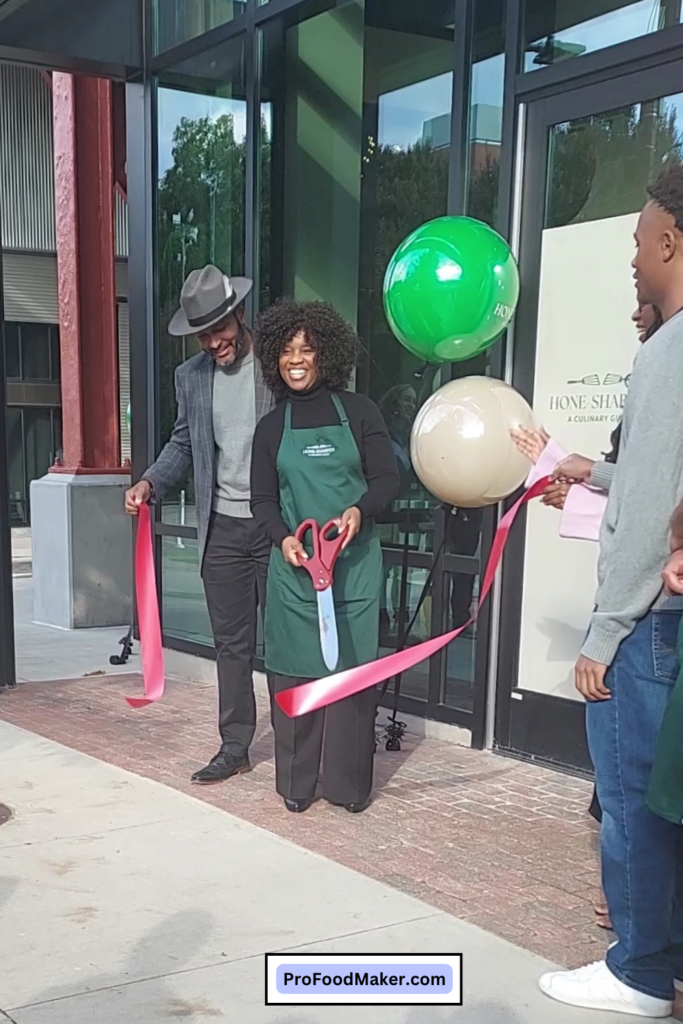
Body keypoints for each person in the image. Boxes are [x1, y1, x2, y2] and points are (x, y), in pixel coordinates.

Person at [538, 165, 683, 1017]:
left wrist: (603, 631)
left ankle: (635, 972)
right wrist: (594, 468)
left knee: (632, 806)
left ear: (669, 240)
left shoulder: (668, 350)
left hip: (648, 628)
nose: (631, 257)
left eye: (636, 239)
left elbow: (646, 516)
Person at [512, 302, 662, 935]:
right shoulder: (654, 368)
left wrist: (602, 635)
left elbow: (653, 499)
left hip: (647, 614)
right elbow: (635, 494)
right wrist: (578, 481)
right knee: (624, 791)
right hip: (644, 603)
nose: (633, 308)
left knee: (636, 787)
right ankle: (643, 910)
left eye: (645, 298)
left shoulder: (668, 364)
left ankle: (642, 938)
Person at [124, 265, 274, 785]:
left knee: (284, 640)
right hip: (224, 531)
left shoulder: (277, 366)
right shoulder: (190, 377)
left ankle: (302, 747)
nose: (214, 342)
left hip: (279, 530)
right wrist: (151, 482)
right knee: (232, 646)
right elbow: (183, 443)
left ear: (239, 314)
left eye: (220, 329)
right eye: (203, 334)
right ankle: (235, 745)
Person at [250, 298, 399, 814]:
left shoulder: (360, 412)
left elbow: (386, 479)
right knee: (294, 673)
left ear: (325, 356)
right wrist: (285, 539)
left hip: (353, 569)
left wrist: (359, 511)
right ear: (274, 358)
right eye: (287, 350)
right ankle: (296, 784)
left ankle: (347, 785)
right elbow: (262, 502)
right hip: (294, 572)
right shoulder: (271, 428)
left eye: (307, 350)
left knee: (351, 675)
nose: (296, 359)